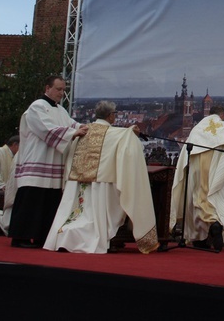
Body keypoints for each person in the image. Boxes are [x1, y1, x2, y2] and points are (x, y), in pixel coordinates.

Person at [44, 101, 158, 254]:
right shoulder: (114, 133)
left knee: (77, 212)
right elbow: (127, 144)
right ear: (111, 116)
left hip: (76, 182)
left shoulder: (83, 131)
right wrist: (132, 133)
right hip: (102, 183)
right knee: (112, 202)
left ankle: (66, 234)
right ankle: (93, 237)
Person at [8, 75, 88, 248]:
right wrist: (71, 134)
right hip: (35, 163)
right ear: (47, 88)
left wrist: (85, 128)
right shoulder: (37, 107)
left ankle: (41, 237)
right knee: (31, 201)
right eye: (58, 89)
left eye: (63, 90)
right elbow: (47, 129)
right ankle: (20, 237)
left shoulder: (60, 110)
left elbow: (72, 124)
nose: (61, 93)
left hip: (52, 166)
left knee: (48, 203)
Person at [169, 105, 224, 252]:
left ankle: (199, 236)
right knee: (215, 193)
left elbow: (185, 153)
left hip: (197, 165)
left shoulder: (197, 129)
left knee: (196, 198)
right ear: (222, 115)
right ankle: (215, 222)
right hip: (218, 166)